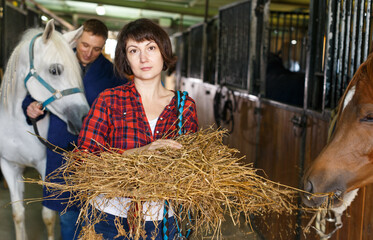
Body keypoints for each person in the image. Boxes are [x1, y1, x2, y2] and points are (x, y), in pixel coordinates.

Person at [77, 18, 198, 239]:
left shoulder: (184, 106)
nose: (144, 58)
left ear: (163, 52)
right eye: (134, 50)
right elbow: (83, 159)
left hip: (164, 220)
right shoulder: (108, 100)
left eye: (151, 48)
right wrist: (140, 153)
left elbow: (192, 167)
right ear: (126, 59)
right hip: (110, 217)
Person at [22, 19, 127, 240]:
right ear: (77, 39)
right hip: (62, 151)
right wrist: (29, 107)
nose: (88, 53)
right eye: (85, 45)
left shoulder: (113, 75)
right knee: (68, 216)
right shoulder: (56, 61)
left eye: (97, 48)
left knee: (97, 215)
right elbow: (33, 93)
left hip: (97, 158)